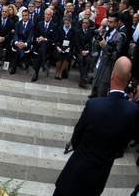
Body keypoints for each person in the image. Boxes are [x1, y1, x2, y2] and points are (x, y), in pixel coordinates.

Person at [54, 57, 139, 196]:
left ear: (112, 74)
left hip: (75, 174)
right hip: (98, 177)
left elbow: (76, 140)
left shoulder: (94, 105)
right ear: (129, 78)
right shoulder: (133, 110)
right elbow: (122, 146)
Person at [91, 13, 126, 98]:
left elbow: (114, 55)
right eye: (108, 21)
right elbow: (96, 46)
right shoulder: (105, 31)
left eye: (111, 22)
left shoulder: (119, 37)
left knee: (102, 89)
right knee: (94, 85)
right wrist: (96, 40)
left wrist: (105, 45)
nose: (109, 24)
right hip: (99, 62)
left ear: (117, 23)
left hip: (107, 66)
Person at [55, 15, 75, 80]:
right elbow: (56, 39)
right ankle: (57, 72)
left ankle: (61, 72)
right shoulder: (59, 28)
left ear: (70, 22)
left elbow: (73, 41)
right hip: (59, 46)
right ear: (63, 21)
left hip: (68, 47)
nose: (67, 22)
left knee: (67, 57)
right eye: (65, 21)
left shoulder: (73, 30)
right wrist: (58, 47)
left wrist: (68, 48)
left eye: (68, 21)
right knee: (58, 56)